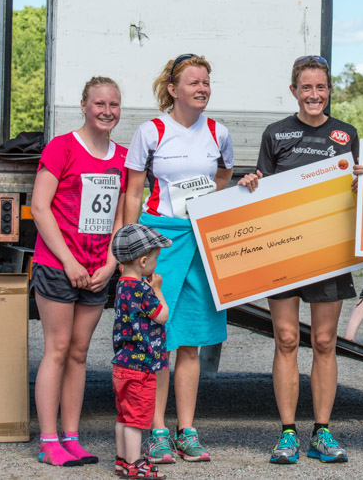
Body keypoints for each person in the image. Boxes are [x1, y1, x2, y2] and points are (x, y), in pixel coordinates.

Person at [237, 55, 359, 465]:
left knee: (324, 342)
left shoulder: (346, 134)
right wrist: (251, 183)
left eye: (321, 87)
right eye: (306, 87)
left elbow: (354, 190)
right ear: (294, 91)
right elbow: (261, 189)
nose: (314, 94)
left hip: (328, 251)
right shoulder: (276, 133)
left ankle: (321, 432)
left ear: (329, 90)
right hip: (283, 249)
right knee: (287, 339)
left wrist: (360, 184)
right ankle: (287, 433)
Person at [123, 54, 234, 464]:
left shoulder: (219, 132)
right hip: (160, 241)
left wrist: (206, 202)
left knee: (191, 340)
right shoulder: (150, 131)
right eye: (193, 82)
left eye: (206, 82)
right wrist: (130, 251)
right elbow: (134, 192)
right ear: (173, 89)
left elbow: (224, 176)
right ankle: (156, 431)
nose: (202, 88)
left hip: (200, 239)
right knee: (158, 339)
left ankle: (186, 430)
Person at [30, 76, 128, 467]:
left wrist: (111, 263)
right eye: (99, 104)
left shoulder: (123, 158)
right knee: (56, 348)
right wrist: (69, 261)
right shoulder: (62, 147)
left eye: (113, 104)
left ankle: (72, 437)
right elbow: (40, 207)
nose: (106, 111)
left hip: (97, 269)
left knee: (79, 352)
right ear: (84, 106)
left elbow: (120, 217)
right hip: (59, 265)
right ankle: (48, 440)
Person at [110, 223, 172, 480]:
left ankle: (122, 461)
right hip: (141, 366)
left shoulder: (122, 285)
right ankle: (135, 464)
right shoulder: (143, 289)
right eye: (155, 259)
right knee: (137, 419)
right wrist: (158, 290)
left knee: (123, 415)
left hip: (122, 364)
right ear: (143, 261)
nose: (156, 264)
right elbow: (162, 315)